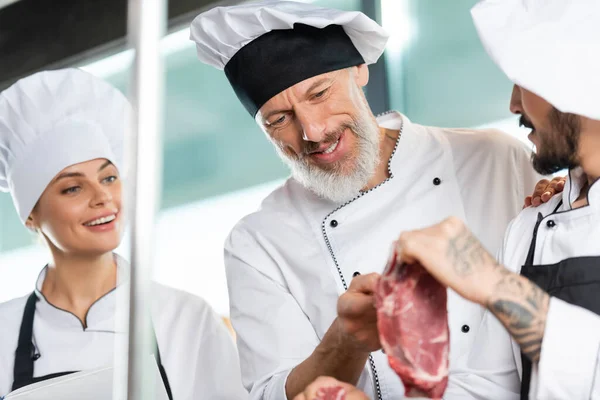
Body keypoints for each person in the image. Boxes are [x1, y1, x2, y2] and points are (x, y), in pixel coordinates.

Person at [189, 2, 562, 399]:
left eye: (319, 93)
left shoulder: (494, 157)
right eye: (279, 120)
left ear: (359, 70)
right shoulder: (258, 241)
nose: (313, 131)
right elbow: (273, 395)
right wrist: (348, 338)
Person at [302, 0, 600, 399]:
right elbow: (491, 387)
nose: (514, 104)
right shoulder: (530, 226)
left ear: (574, 81)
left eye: (524, 81)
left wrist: (496, 285)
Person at [0, 68, 248, 399]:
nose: (102, 197)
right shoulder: (4, 332)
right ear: (30, 214)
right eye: (73, 188)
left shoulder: (184, 318)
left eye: (109, 178)